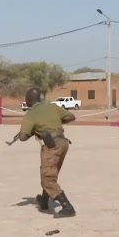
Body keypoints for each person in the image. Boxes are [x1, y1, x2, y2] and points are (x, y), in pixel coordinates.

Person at [18, 87, 76, 218]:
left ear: (29, 99)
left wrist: (33, 130)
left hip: (51, 147)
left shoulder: (31, 113)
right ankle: (44, 201)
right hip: (63, 143)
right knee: (51, 173)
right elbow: (71, 116)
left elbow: (22, 137)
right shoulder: (51, 106)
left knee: (47, 179)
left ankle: (67, 207)